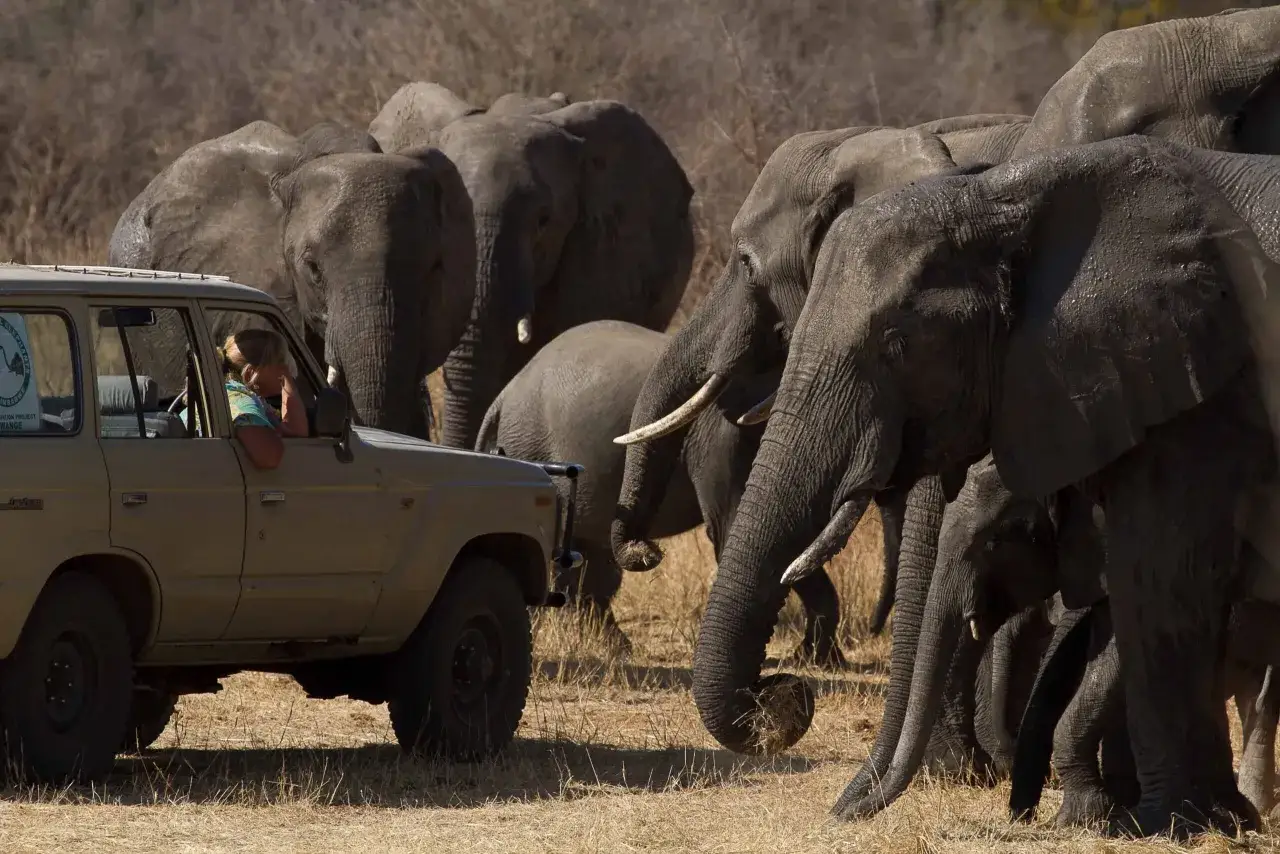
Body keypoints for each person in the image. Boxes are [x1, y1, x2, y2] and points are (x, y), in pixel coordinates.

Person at [183, 328, 310, 469]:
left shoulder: (231, 393)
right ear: (250, 374)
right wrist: (287, 379)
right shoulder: (240, 400)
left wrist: (287, 380)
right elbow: (269, 457)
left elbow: (297, 436)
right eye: (279, 362)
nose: (284, 369)